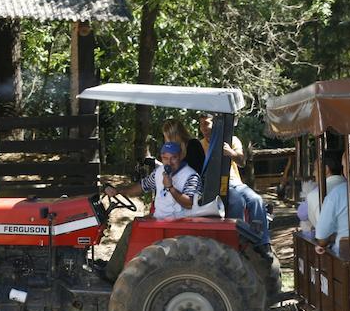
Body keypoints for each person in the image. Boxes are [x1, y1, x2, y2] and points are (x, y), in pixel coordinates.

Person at [102, 142, 200, 281]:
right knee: (136, 223)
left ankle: (110, 276)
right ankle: (119, 268)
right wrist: (119, 191)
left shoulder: (190, 176)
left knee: (132, 229)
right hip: (160, 218)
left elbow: (189, 203)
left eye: (174, 158)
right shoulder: (160, 172)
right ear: (161, 157)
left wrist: (170, 187)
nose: (169, 162)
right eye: (166, 158)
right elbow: (142, 187)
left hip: (177, 222)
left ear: (180, 157)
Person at [197, 114, 271, 246]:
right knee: (237, 201)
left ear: (216, 124)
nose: (203, 128)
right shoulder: (199, 145)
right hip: (214, 185)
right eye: (201, 124)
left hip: (235, 182)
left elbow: (242, 162)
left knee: (256, 200)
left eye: (206, 123)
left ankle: (263, 242)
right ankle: (237, 239)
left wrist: (231, 153)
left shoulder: (232, 140)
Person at [307, 150, 345, 229]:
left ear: (325, 169)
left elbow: (320, 228)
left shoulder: (314, 195)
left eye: (315, 169)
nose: (313, 173)